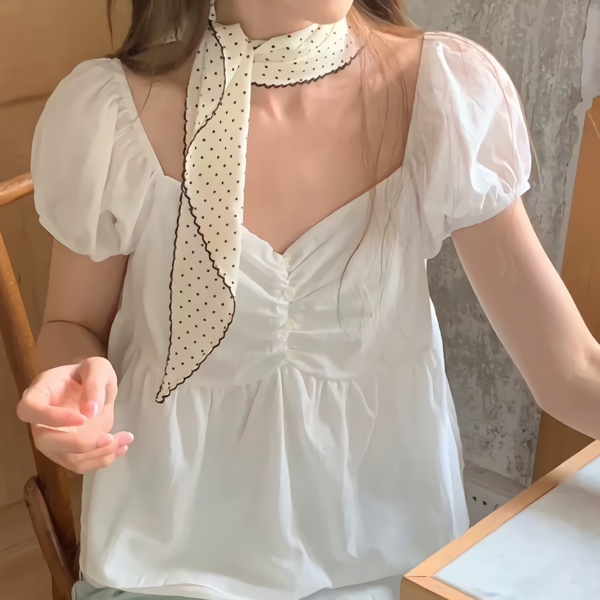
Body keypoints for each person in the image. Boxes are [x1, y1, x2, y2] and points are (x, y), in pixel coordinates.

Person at [16, 0, 600, 599]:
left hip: (392, 567)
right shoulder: (114, 114)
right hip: (163, 568)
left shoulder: (441, 95)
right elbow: (71, 324)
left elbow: (570, 369)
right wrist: (71, 390)